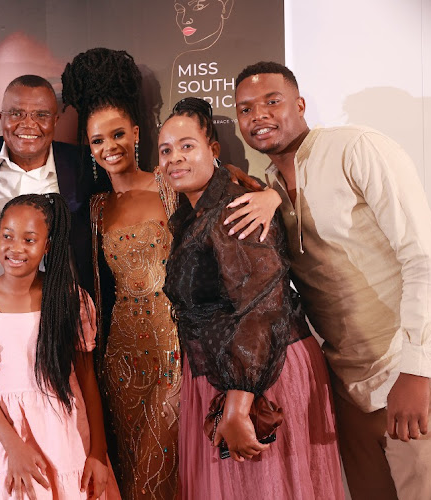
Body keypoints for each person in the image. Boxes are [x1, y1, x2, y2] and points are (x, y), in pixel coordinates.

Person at [233, 61, 431, 499]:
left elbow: (421, 256)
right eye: (245, 109)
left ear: (299, 104)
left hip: (415, 372)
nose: (258, 115)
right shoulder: (269, 189)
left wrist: (416, 372)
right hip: (350, 390)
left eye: (271, 101)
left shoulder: (355, 147)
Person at [159, 97, 344, 499]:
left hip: (260, 371)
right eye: (166, 150)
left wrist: (239, 403)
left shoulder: (234, 209)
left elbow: (262, 305)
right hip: (225, 371)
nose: (175, 157)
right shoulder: (195, 211)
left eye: (187, 146)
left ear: (214, 150)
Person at [0, 194, 121, 500]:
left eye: (29, 239)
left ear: (47, 245)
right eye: (7, 236)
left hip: (71, 439)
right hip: (15, 438)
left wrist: (98, 453)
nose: (16, 248)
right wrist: (13, 446)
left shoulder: (69, 300)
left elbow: (87, 380)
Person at [61, 48, 180, 499]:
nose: (109, 147)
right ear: (89, 148)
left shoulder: (171, 189)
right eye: (97, 141)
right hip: (119, 358)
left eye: (117, 135)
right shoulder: (94, 209)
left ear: (135, 133)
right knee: (130, 475)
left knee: (161, 472)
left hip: (173, 353)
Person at [0, 74, 95, 293]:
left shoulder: (80, 166)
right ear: (1, 117)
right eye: (16, 113)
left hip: (57, 307)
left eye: (41, 115)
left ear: (55, 120)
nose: (28, 124)